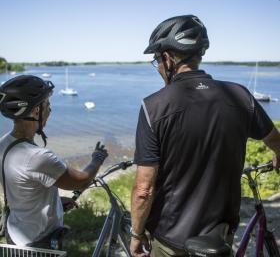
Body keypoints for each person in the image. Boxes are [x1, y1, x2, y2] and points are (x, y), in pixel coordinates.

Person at [130, 15, 280, 257]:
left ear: (168, 58)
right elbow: (275, 140)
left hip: (170, 239)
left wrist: (136, 235)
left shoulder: (153, 107)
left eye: (157, 59)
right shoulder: (240, 96)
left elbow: (143, 190)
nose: (157, 67)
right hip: (219, 236)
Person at [0, 75, 108, 248]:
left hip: (15, 233)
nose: (50, 110)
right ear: (35, 111)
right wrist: (97, 158)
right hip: (37, 242)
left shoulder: (4, 144)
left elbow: (21, 188)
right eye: (47, 105)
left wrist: (55, 202)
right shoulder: (37, 157)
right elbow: (82, 180)